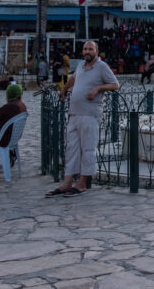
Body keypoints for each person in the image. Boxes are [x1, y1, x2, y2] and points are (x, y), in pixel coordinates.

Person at [46, 41, 119, 198]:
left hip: (90, 114)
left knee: (88, 149)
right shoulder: (80, 65)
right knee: (71, 148)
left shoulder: (102, 67)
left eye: (90, 49)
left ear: (96, 51)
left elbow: (115, 84)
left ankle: (82, 183)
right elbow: (73, 78)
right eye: (85, 49)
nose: (87, 51)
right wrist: (65, 89)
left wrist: (98, 88)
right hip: (74, 113)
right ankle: (67, 182)